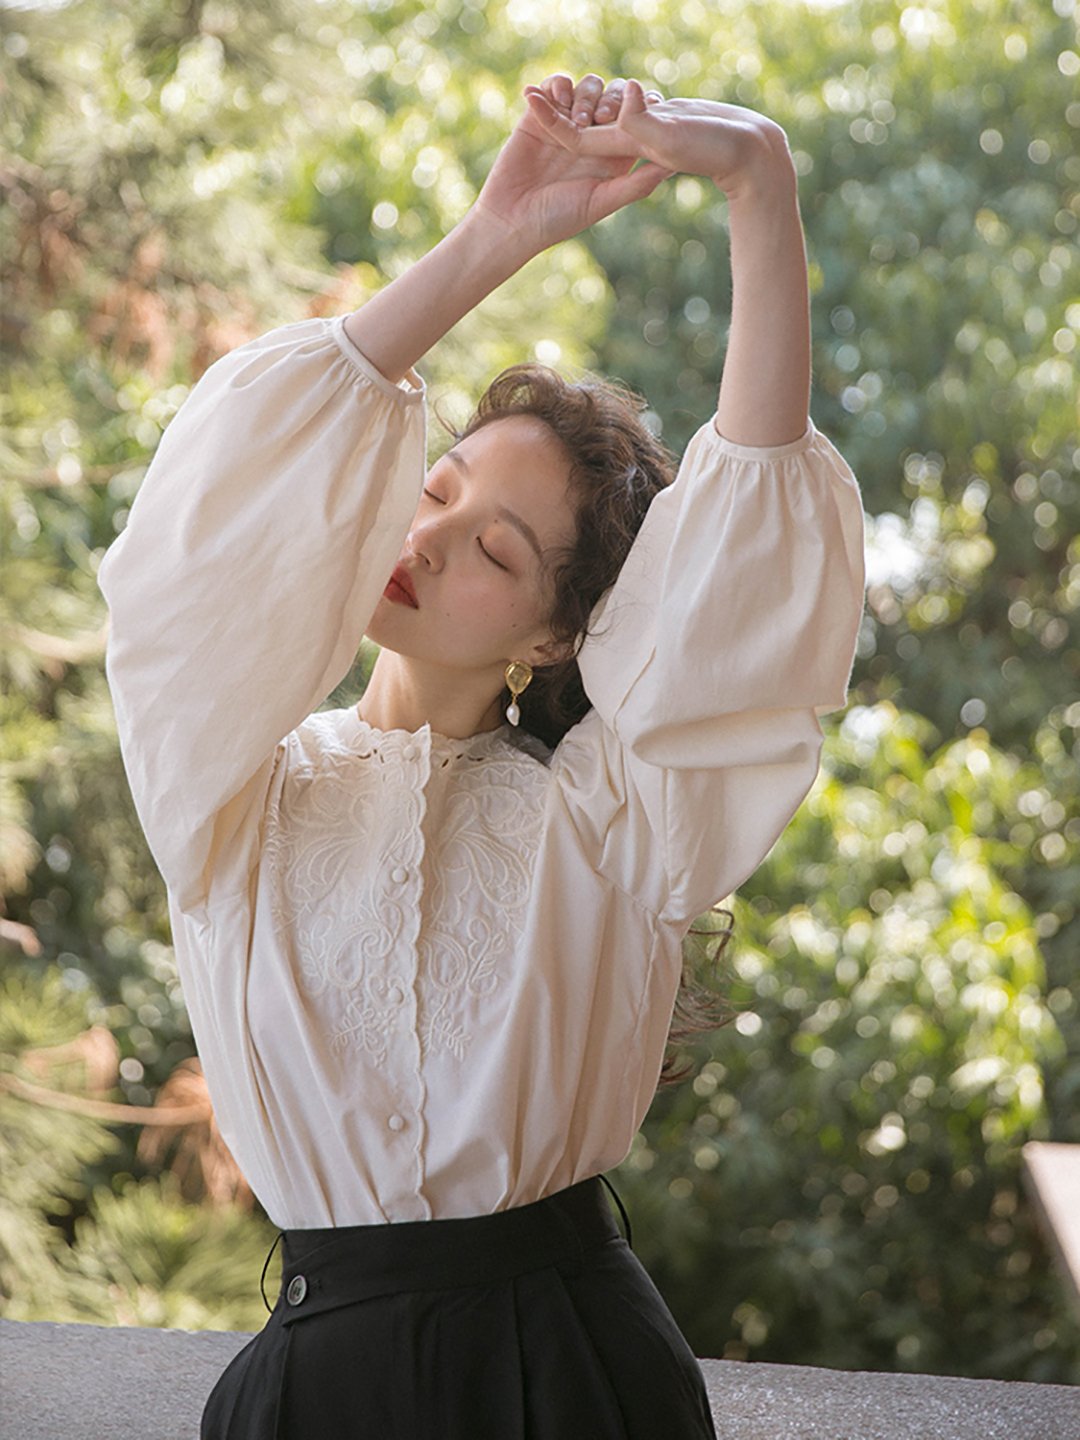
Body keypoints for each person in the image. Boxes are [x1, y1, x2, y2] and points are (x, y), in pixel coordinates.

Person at [97, 70, 865, 1440]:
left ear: (555, 635)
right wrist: (493, 238)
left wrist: (760, 185)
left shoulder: (611, 821)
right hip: (314, 1389)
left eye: (495, 552)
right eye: (436, 492)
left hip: (571, 1375)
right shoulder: (232, 788)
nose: (431, 539)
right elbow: (198, 550)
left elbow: (742, 572)